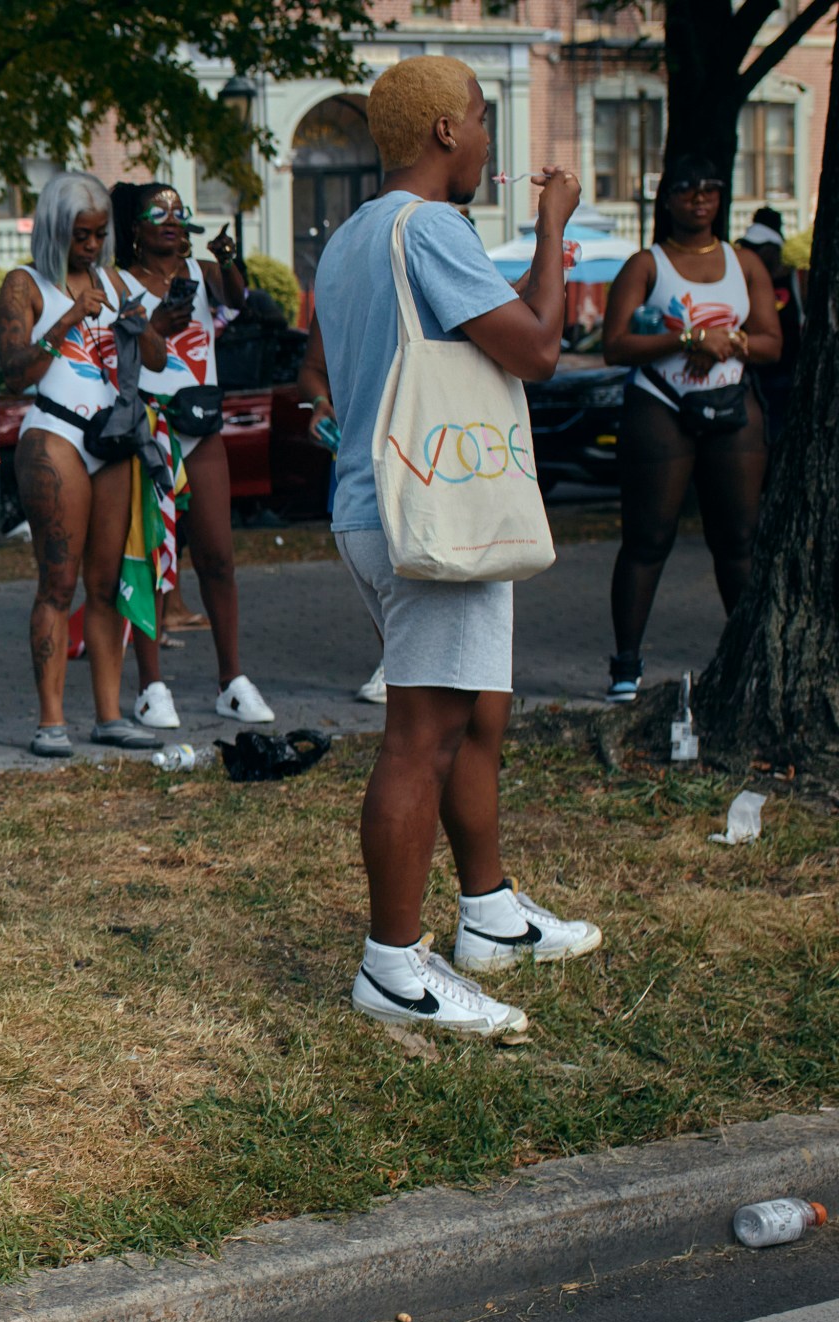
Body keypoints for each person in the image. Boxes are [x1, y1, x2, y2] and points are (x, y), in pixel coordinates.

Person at [305, 55, 601, 1035]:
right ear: (443, 131)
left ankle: (487, 916)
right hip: (432, 512)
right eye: (479, 121)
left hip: (380, 500)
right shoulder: (429, 226)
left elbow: (481, 327)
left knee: (472, 717)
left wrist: (531, 264)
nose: (485, 141)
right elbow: (539, 349)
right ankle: (392, 968)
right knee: (421, 735)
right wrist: (553, 228)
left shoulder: (357, 235)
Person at [596, 160, 782, 705]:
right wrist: (688, 340)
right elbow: (615, 344)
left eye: (709, 190)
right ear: (667, 200)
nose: (699, 200)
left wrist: (730, 342)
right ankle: (625, 667)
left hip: (732, 407)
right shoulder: (646, 265)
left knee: (738, 542)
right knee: (648, 540)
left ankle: (748, 663)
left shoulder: (743, 262)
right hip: (661, 407)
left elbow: (771, 342)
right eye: (686, 190)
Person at [0, 172, 162, 756]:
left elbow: (157, 356)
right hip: (54, 434)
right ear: (54, 230)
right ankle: (51, 721)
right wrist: (70, 318)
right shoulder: (26, 284)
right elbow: (14, 373)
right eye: (80, 236)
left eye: (98, 235)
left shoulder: (114, 281)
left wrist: (143, 326)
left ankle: (111, 715)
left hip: (112, 436)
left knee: (106, 583)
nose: (91, 247)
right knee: (58, 581)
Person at [110, 180, 277, 728]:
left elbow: (238, 301)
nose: (172, 219)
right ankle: (150, 686)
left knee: (218, 557)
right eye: (158, 212)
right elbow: (115, 356)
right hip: (148, 428)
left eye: (179, 211)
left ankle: (232, 680)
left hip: (201, 426)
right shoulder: (118, 283)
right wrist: (154, 327)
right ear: (134, 227)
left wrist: (228, 260)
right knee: (156, 560)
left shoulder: (201, 275)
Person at [737, 208, 802, 432]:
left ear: (774, 249)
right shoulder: (743, 282)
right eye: (748, 247)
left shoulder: (796, 279)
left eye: (758, 248)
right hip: (751, 373)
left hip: (787, 375)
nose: (751, 253)